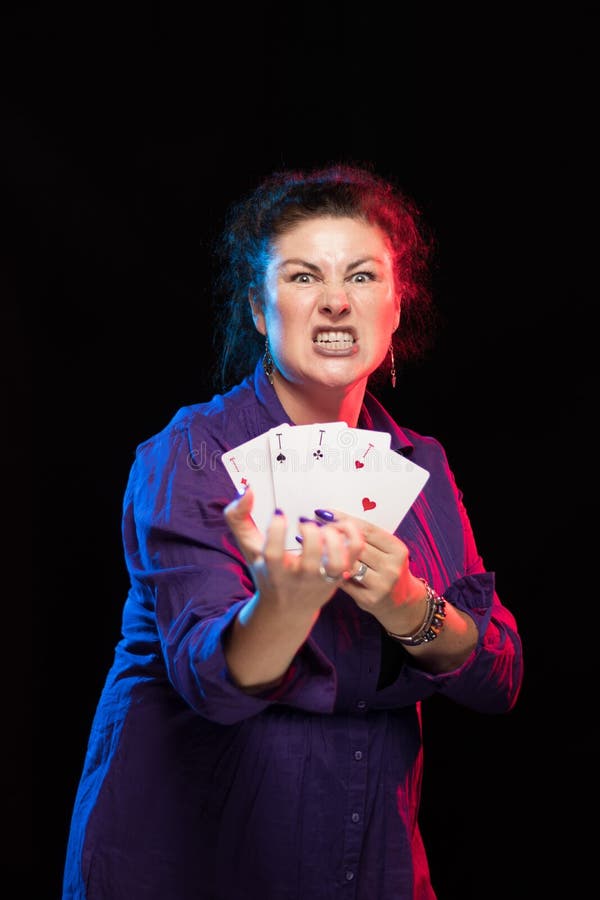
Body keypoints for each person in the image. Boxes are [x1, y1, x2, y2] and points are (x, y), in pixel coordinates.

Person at [61, 163, 523, 900]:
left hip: (368, 861)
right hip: (190, 863)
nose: (337, 301)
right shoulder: (192, 454)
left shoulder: (422, 465)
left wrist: (408, 605)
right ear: (257, 308)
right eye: (304, 277)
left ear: (396, 309)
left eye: (364, 277)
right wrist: (284, 602)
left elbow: (500, 674)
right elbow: (212, 685)